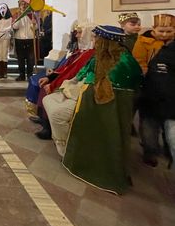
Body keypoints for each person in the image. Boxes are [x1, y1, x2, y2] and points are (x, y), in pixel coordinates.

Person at [62, 25, 142, 194]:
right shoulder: (102, 55)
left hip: (111, 106)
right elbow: (87, 72)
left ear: (106, 41)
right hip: (97, 102)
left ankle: (106, 173)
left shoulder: (124, 61)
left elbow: (124, 84)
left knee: (110, 137)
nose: (95, 41)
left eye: (98, 39)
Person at [139, 39, 175, 168]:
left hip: (167, 102)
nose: (165, 34)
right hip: (153, 99)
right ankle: (150, 152)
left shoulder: (167, 50)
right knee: (150, 130)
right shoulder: (165, 51)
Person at [12, 0, 36, 81]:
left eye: (25, 4)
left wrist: (34, 24)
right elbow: (15, 27)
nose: (23, 5)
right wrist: (19, 17)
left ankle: (30, 75)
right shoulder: (16, 14)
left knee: (30, 58)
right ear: (19, 5)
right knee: (20, 58)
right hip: (19, 39)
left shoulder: (31, 14)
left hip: (30, 38)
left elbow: (36, 28)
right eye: (22, 4)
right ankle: (21, 75)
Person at [0, 3, 13, 78]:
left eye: (4, 8)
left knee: (4, 54)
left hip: (6, 38)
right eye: (1, 8)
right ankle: (0, 73)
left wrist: (1, 30)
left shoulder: (10, 18)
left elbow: (10, 28)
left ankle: (4, 72)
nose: (2, 10)